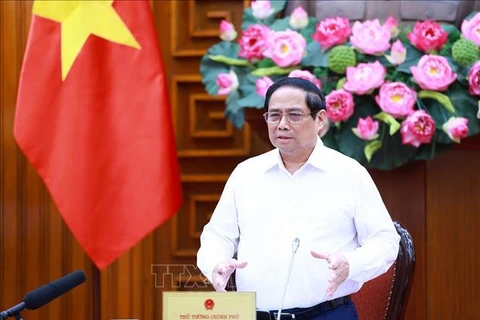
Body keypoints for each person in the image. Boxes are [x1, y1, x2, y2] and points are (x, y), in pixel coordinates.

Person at [197, 77, 400, 320]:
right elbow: (217, 235)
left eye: (294, 115)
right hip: (253, 314)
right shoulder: (246, 174)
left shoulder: (349, 173)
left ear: (320, 119)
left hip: (326, 314)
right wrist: (215, 262)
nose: (282, 124)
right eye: (274, 115)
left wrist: (350, 263)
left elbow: (385, 241)